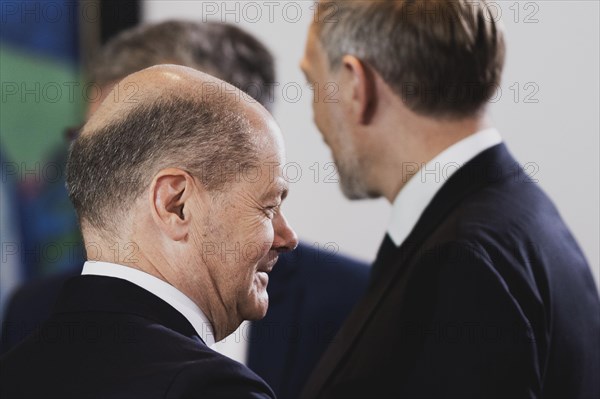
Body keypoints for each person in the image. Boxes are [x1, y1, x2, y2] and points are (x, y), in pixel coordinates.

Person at [0, 21, 369, 399]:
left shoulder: (15, 369)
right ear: (175, 203)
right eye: (267, 206)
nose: (285, 235)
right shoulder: (215, 388)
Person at [300, 1, 600, 398]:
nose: (315, 115)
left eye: (313, 84)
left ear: (356, 84)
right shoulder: (520, 216)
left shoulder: (462, 261)